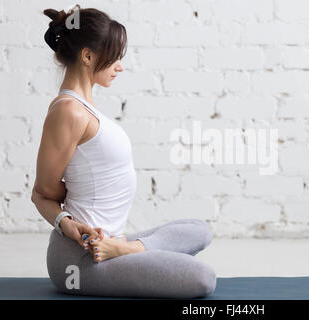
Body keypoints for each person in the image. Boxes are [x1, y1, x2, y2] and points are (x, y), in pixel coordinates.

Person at [31, 5, 216, 299]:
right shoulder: (69, 112)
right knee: (203, 279)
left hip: (110, 244)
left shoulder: (86, 108)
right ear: (88, 56)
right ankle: (122, 250)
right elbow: (42, 192)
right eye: (114, 56)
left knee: (199, 230)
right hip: (80, 261)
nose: (120, 65)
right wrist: (67, 224)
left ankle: (125, 249)